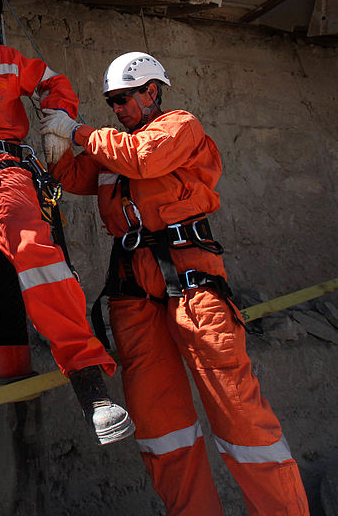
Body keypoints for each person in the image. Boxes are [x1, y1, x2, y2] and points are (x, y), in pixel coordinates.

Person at [40, 51, 309, 515]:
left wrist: (79, 131)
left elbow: (145, 160)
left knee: (238, 411)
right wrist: (54, 132)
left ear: (152, 92)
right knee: (159, 423)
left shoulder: (179, 127)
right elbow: (67, 175)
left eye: (124, 98)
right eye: (112, 102)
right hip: (132, 289)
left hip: (192, 282)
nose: (119, 109)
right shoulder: (111, 151)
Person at [0, 0, 132, 446]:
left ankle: (90, 385)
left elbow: (53, 83)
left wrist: (58, 126)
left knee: (36, 253)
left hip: (2, 169)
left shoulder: (3, 60)